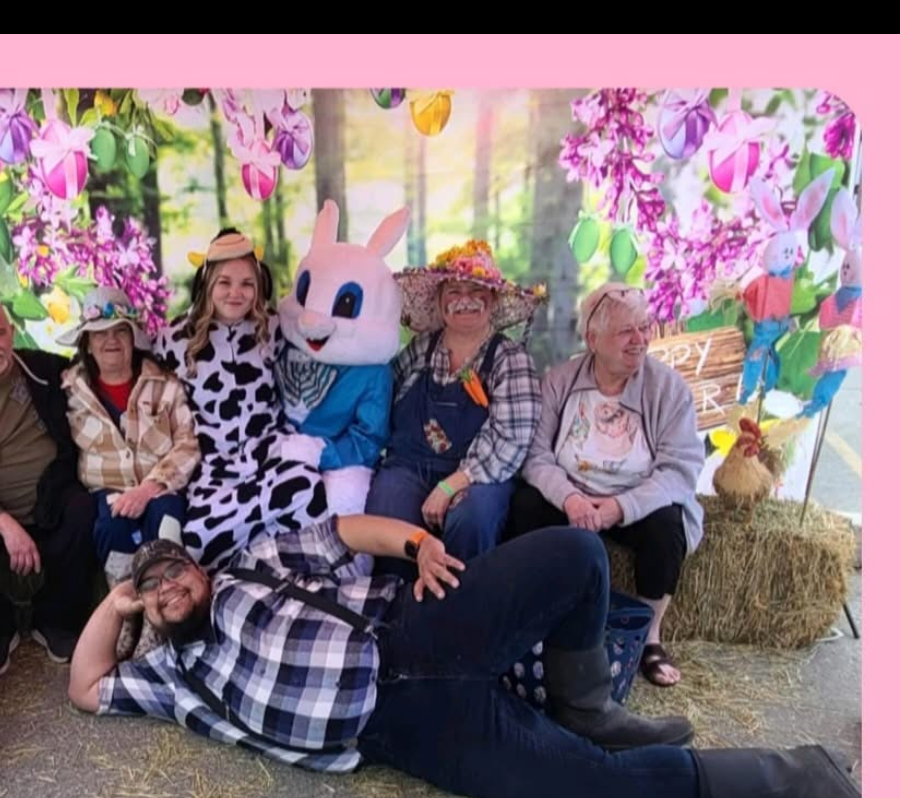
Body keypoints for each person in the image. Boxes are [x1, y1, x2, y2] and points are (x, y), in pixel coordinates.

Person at [66, 518, 859, 798]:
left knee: (576, 553)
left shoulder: (250, 564)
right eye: (150, 589)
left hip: (415, 628)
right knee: (586, 792)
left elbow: (343, 532)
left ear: (200, 567)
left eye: (173, 570)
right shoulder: (173, 678)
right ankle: (799, 777)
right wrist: (117, 599)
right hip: (404, 731)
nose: (167, 587)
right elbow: (83, 686)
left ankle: (587, 708)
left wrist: (417, 542)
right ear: (143, 611)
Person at [511, 283, 703, 689]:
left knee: (667, 525)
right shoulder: (560, 381)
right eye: (626, 331)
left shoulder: (668, 388)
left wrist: (622, 507)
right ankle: (538, 617)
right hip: (573, 495)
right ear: (592, 338)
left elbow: (679, 470)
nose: (640, 340)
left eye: (644, 327)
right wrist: (570, 498)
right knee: (525, 507)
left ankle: (649, 637)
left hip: (635, 499)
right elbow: (536, 456)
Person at [154, 227, 327, 565]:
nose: (236, 293)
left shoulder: (274, 328)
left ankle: (289, 575)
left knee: (307, 488)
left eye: (247, 283)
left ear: (259, 285)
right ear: (207, 284)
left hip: (271, 458)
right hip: (214, 472)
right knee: (197, 542)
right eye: (225, 282)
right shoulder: (173, 339)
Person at [0, 298, 96, 678]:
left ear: (12, 332)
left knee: (83, 508)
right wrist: (7, 527)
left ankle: (56, 620)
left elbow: (101, 372)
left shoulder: (46, 370)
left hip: (51, 498)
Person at [365, 240, 541, 559]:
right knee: (387, 507)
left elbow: (513, 439)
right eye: (454, 292)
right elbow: (381, 396)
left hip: (478, 476)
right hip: (409, 467)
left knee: (471, 518)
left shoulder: (510, 359)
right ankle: (396, 590)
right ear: (439, 301)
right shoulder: (421, 348)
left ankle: (466, 591)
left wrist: (452, 485)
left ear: (493, 300)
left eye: (476, 291)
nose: (465, 300)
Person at [61, 283, 198, 591]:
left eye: (120, 331)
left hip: (160, 486)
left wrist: (148, 489)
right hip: (107, 492)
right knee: (113, 527)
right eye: (100, 333)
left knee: (167, 519)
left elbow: (188, 444)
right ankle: (127, 606)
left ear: (133, 338)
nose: (111, 340)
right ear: (87, 343)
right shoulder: (70, 392)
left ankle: (171, 598)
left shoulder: (165, 384)